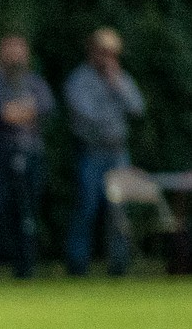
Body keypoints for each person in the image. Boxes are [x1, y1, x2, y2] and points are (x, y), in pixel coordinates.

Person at [63, 27, 146, 276]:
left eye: (112, 54)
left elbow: (137, 108)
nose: (107, 58)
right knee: (86, 207)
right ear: (93, 52)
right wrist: (113, 115)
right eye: (103, 53)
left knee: (118, 211)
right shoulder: (79, 80)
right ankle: (78, 266)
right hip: (91, 152)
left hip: (118, 153)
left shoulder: (121, 78)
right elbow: (87, 116)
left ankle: (119, 265)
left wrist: (116, 84)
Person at [0, 34, 56, 278]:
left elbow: (45, 107)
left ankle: (25, 270)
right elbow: (6, 114)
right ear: (1, 52)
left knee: (27, 214)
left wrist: (18, 111)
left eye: (20, 51)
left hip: (30, 155)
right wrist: (24, 110)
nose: (16, 57)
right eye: (11, 51)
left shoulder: (35, 82)